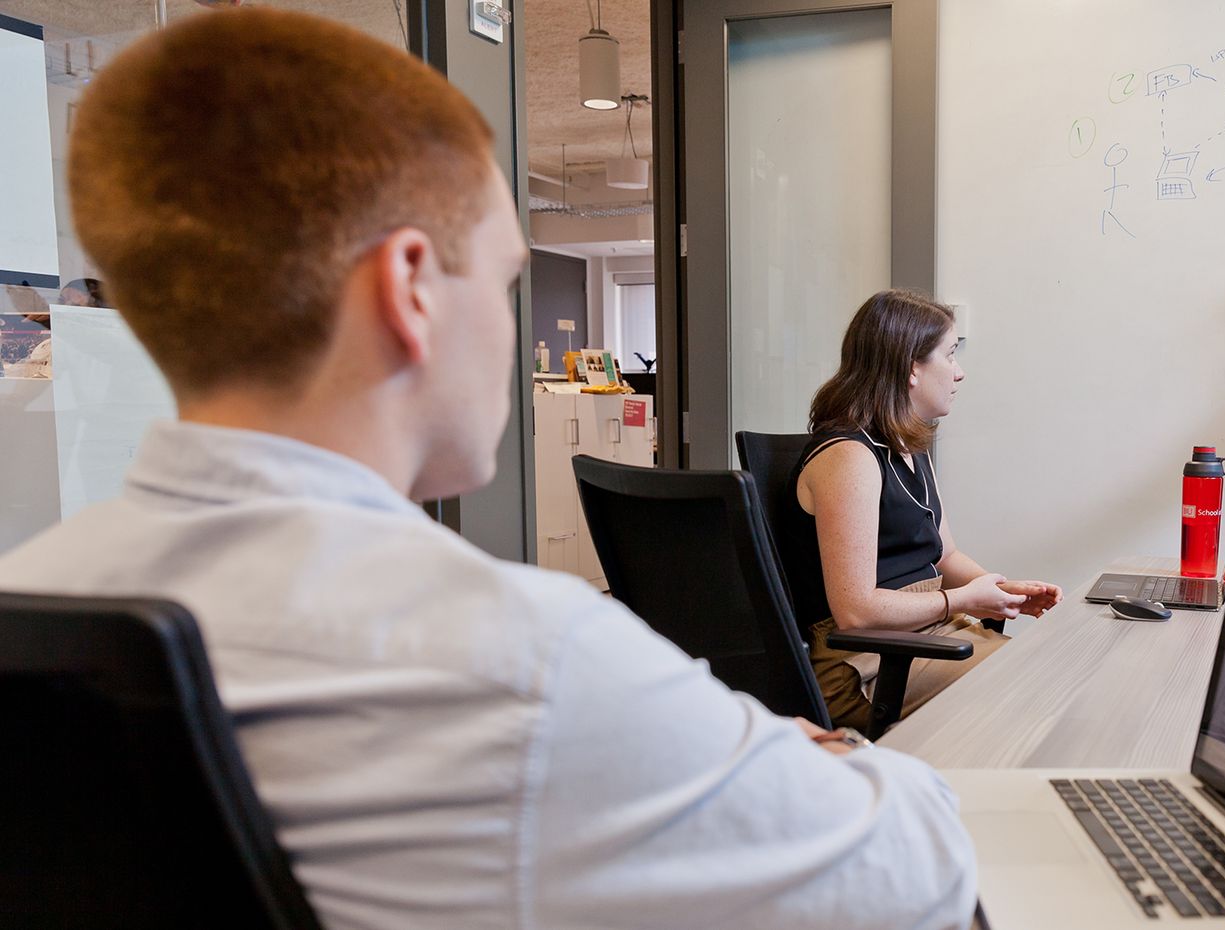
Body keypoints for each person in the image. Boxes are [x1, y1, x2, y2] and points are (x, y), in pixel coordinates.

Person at [0, 10, 976, 929]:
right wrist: (825, 753)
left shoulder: (32, 598)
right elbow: (916, 872)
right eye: (507, 280)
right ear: (410, 287)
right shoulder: (527, 655)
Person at [785, 289, 1063, 731]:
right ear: (911, 367)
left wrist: (1001, 590)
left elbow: (944, 557)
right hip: (863, 663)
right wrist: (964, 600)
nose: (959, 373)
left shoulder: (907, 447)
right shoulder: (849, 457)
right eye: (950, 356)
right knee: (1033, 685)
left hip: (922, 636)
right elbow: (855, 611)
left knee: (1050, 672)